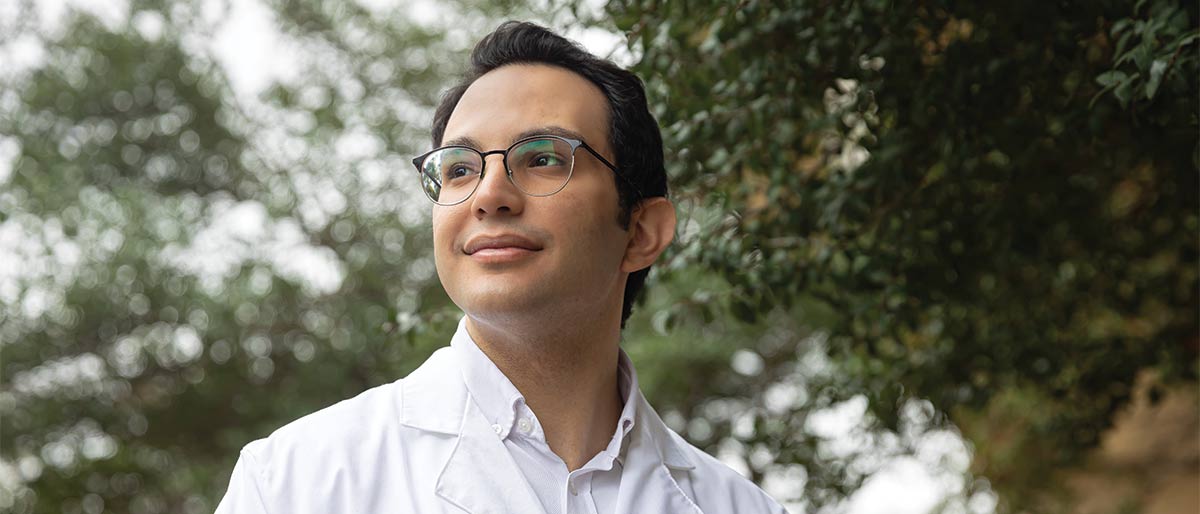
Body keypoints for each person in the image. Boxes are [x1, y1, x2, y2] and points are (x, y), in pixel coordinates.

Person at [215, 21, 789, 514]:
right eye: (460, 168)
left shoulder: (736, 506)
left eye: (542, 159)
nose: (490, 195)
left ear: (642, 232)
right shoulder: (295, 483)